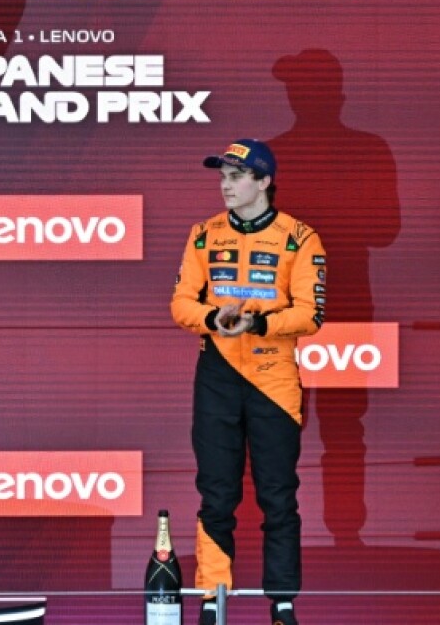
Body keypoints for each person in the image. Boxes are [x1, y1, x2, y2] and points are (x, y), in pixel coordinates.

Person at [171, 140, 327, 625]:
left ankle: (282, 604)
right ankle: (213, 599)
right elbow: (180, 304)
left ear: (263, 182)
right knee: (216, 494)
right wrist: (215, 318)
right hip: (217, 374)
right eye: (222, 176)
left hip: (273, 378)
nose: (226, 185)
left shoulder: (299, 239)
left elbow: (311, 314)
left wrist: (258, 324)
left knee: (278, 492)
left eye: (237, 176)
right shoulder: (203, 235)